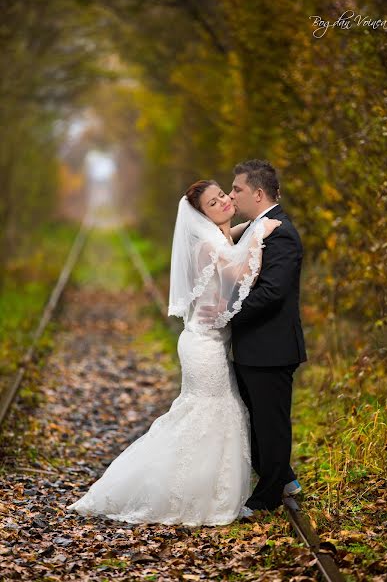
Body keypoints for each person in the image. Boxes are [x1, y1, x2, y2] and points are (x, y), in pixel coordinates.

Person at [66, 179, 281, 526]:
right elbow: (240, 272)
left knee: (216, 412)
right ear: (202, 217)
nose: (225, 202)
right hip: (202, 346)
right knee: (214, 412)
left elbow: (231, 241)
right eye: (214, 204)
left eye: (223, 195)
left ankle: (206, 491)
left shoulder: (218, 237)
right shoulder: (208, 246)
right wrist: (261, 233)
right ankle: (190, 494)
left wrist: (248, 228)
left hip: (210, 340)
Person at [228, 159, 307, 515]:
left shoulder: (283, 233)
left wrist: (227, 317)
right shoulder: (257, 227)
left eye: (237, 189)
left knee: (270, 424)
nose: (232, 195)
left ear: (258, 193)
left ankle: (268, 497)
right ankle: (285, 478)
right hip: (253, 347)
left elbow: (273, 291)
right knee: (254, 419)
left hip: (272, 348)